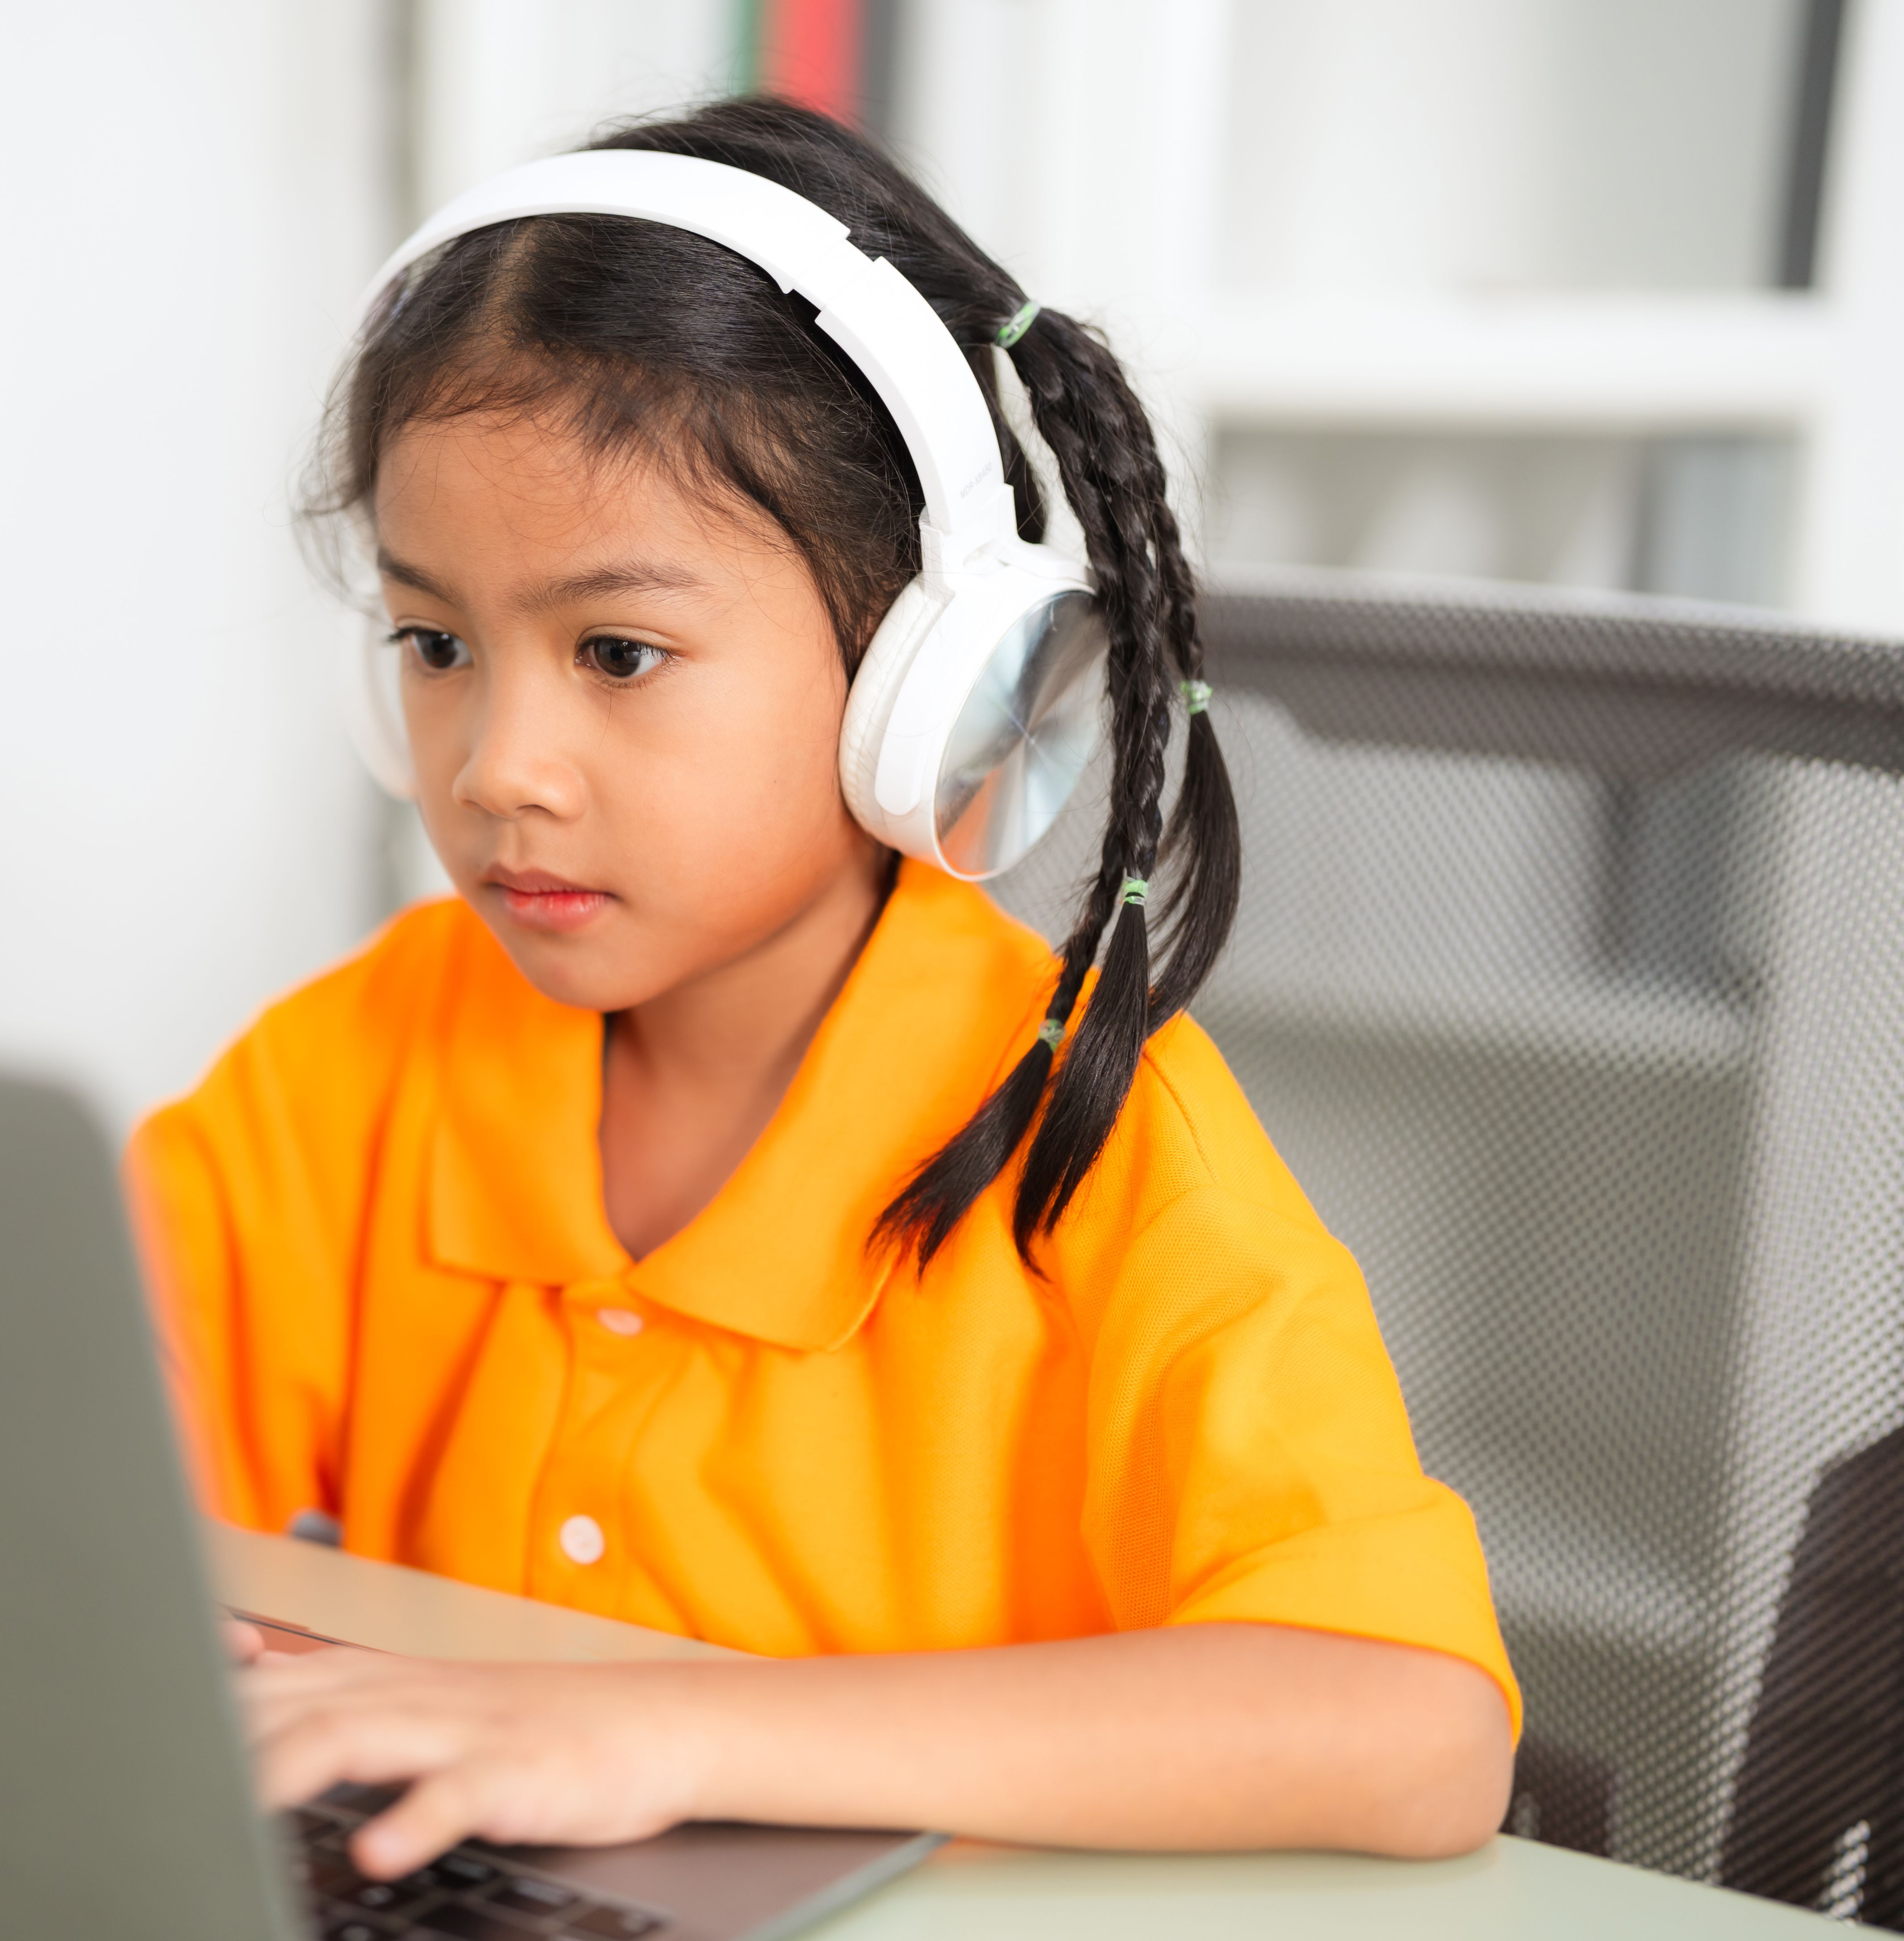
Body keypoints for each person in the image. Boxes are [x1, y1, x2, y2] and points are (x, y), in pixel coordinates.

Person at [128, 97, 1517, 1877]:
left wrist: (665, 1732)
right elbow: (73, 1440)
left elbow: (1414, 1726)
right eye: (436, 644)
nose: (498, 766)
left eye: (619, 652)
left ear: (923, 682)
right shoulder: (375, 1056)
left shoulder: (1090, 1132)